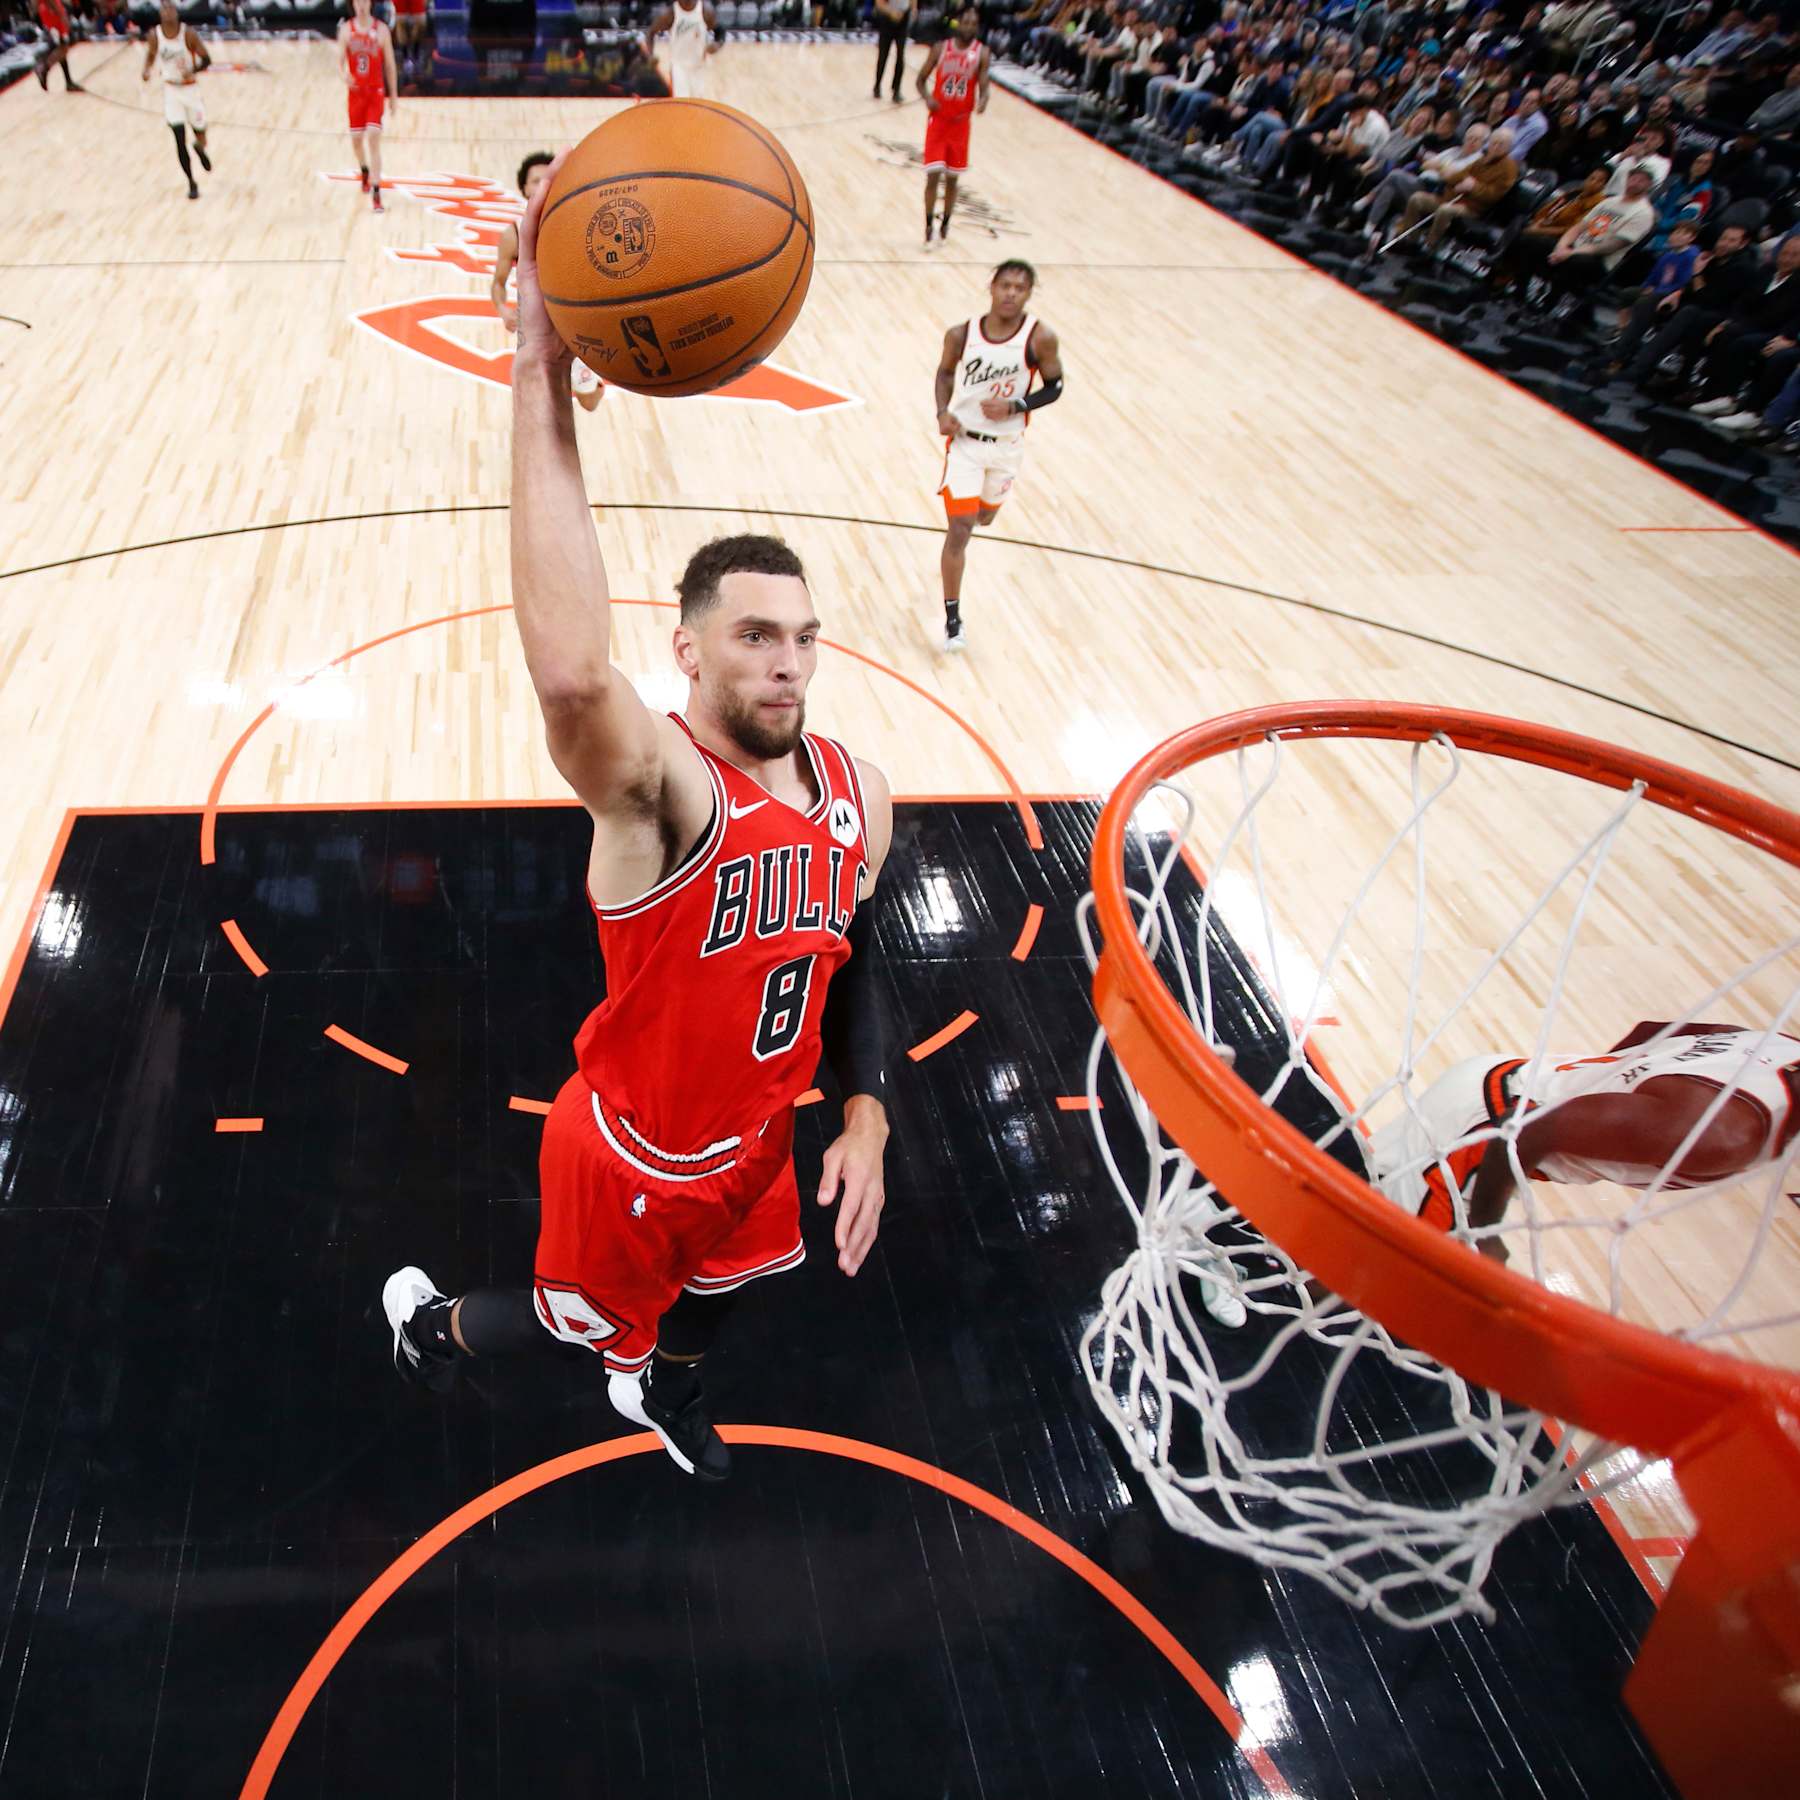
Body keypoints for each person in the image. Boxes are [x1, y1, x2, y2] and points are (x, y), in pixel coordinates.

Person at [383, 147, 895, 1484]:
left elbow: (850, 958)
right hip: (630, 1160)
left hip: (759, 1152)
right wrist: (538, 368)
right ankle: (433, 1329)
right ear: (688, 653)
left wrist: (867, 1109)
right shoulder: (665, 796)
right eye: (754, 637)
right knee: (569, 1327)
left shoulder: (857, 796)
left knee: (718, 1309)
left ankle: (657, 1385)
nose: (786, 662)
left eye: (802, 639)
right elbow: (566, 674)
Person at [1370, 1021, 1800, 1263]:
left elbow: (1653, 1029)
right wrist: (1486, 1234)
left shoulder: (1786, 1048)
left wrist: (1595, 1094)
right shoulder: (1721, 1135)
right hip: (1485, 1129)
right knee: (1377, 1266)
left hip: (1506, 1081)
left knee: (1373, 1211)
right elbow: (1525, 1128)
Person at [932, 260, 1064, 651]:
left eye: (1019, 288)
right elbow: (944, 373)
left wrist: (1017, 405)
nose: (1010, 293)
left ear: (1028, 293)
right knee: (960, 530)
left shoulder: (1040, 338)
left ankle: (980, 516)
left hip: (1007, 447)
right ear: (991, 286)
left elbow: (1055, 386)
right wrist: (942, 412)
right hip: (966, 445)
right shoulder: (961, 334)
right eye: (1004, 285)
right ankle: (953, 619)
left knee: (984, 517)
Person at [491, 152, 604, 414]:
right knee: (537, 405)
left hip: (572, 324)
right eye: (535, 181)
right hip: (535, 326)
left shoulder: (577, 226)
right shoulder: (513, 235)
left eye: (547, 180)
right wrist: (502, 309)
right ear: (524, 188)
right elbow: (498, 283)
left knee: (589, 401)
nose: (542, 185)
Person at [917, 7, 989, 247]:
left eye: (974, 23)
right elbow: (920, 79)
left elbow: (985, 86)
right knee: (932, 176)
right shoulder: (941, 48)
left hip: (960, 124)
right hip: (938, 122)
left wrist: (983, 100)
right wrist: (927, 97)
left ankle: (945, 224)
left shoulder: (982, 53)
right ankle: (928, 225)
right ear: (958, 23)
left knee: (952, 180)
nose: (969, 27)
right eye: (966, 22)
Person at [141, 0, 210, 200]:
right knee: (179, 140)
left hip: (190, 90)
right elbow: (151, 54)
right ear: (160, 13)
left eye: (171, 8)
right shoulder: (155, 35)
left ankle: (200, 147)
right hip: (171, 90)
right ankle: (191, 182)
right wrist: (146, 69)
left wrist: (193, 69)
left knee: (200, 131)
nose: (168, 12)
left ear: (177, 12)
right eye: (164, 9)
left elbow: (207, 60)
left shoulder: (188, 34)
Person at [340, 0, 398, 214]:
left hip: (375, 92)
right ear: (353, 4)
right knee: (357, 141)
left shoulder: (381, 30)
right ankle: (364, 169)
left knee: (374, 136)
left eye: (365, 0)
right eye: (358, 1)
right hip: (356, 94)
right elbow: (339, 62)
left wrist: (394, 95)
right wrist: (344, 75)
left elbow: (390, 65)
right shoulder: (346, 30)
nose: (362, 5)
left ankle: (376, 191)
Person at [645, 0, 716, 100]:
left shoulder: (705, 10)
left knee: (699, 105)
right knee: (682, 103)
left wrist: (717, 45)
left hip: (699, 66)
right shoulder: (671, 13)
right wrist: (650, 54)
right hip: (679, 66)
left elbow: (720, 31)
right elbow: (650, 32)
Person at [35, 0, 81, 93]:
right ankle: (44, 68)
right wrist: (61, 15)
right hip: (53, 12)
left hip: (47, 10)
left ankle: (68, 82)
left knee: (61, 47)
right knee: (63, 46)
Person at [872, 0, 913, 103]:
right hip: (888, 19)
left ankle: (896, 89)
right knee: (883, 55)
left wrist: (912, 10)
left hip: (903, 18)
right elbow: (879, 4)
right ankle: (877, 85)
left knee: (900, 55)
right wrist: (890, 12)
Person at [392, 0, 429, 82]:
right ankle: (406, 58)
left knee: (420, 23)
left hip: (417, 5)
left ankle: (416, 55)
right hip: (400, 6)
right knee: (401, 26)